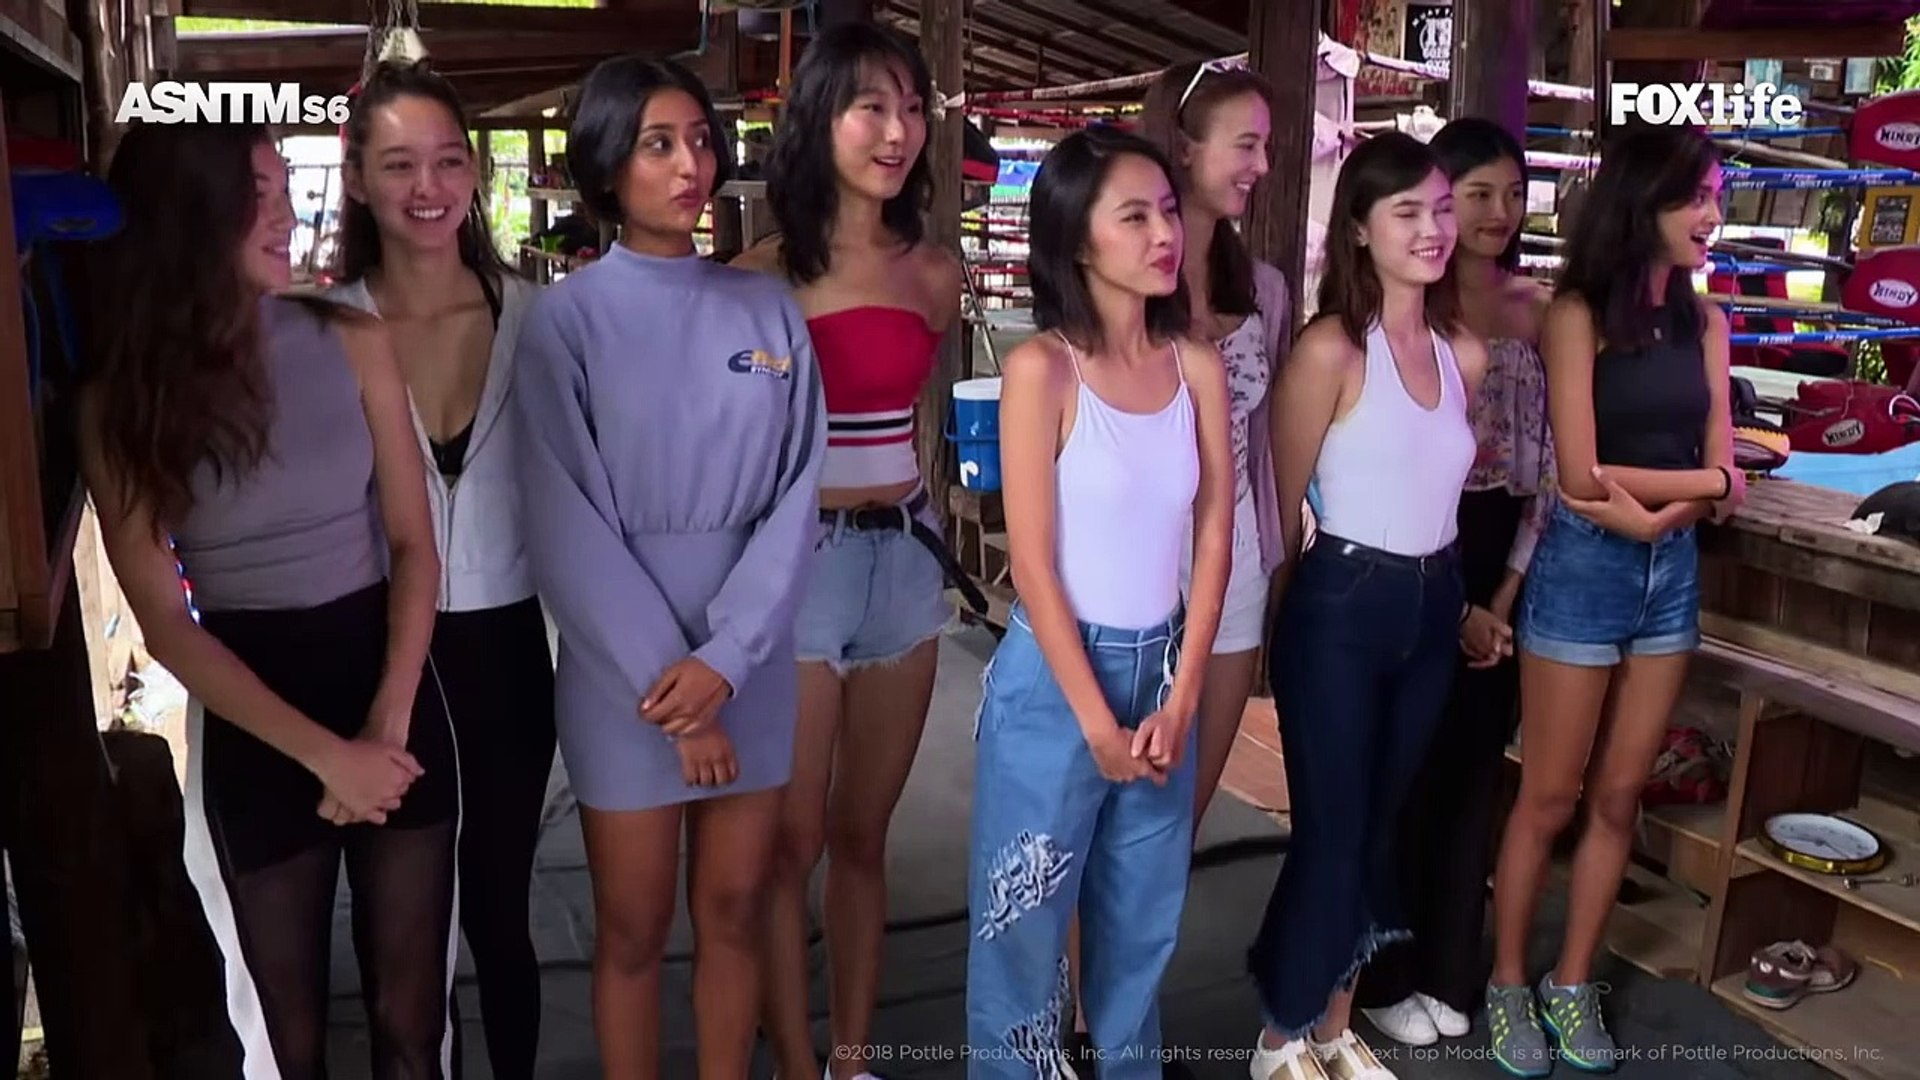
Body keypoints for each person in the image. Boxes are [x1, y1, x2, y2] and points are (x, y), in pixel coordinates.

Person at [81, 122, 457, 1079]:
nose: (290, 217)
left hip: (388, 688)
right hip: (252, 714)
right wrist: (329, 756)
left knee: (412, 1029)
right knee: (288, 1045)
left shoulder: (353, 339)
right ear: (192, 212)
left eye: (290, 193)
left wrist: (383, 728)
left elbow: (415, 547)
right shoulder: (120, 399)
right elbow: (166, 624)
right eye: (262, 196)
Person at [510, 54, 826, 1077]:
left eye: (699, 141)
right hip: (626, 674)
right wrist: (680, 692)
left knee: (734, 911)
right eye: (658, 145)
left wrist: (727, 661)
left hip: (753, 660)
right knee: (633, 928)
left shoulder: (768, 312)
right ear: (606, 166)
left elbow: (797, 496)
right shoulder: (565, 322)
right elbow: (566, 524)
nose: (691, 165)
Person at [967, 124, 1235, 1077]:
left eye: (1167, 210)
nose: (1164, 232)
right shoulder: (1042, 370)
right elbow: (1034, 566)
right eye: (1135, 216)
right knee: (1022, 927)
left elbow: (1214, 533)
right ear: (1077, 239)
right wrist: (1094, 721)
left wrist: (1186, 691)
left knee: (1139, 926)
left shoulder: (1196, 366)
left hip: (1162, 670)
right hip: (1056, 678)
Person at [731, 24, 971, 1080]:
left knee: (863, 835)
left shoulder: (936, 272)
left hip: (905, 563)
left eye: (911, 108)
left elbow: (913, 419)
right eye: (871, 106)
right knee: (792, 843)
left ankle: (851, 1058)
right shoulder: (757, 277)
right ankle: (794, 1058)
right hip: (799, 568)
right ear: (819, 119)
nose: (897, 131)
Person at [1485, 123, 1740, 1078]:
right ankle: (1508, 983)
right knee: (1549, 796)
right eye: (1696, 198)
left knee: (1622, 794)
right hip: (1584, 567)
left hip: (1672, 572)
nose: (1712, 216)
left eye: (1715, 197)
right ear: (1644, 204)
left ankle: (1572, 981)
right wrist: (1695, 492)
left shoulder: (1707, 323)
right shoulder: (1576, 312)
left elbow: (1722, 464)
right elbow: (1580, 472)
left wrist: (1684, 499)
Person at [328, 59, 554, 1079]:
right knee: (403, 932)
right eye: (398, 164)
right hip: (380, 653)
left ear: (475, 172)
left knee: (500, 912)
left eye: (449, 161)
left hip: (509, 647)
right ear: (358, 179)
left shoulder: (541, 319)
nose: (429, 187)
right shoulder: (324, 326)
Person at [1245, 131, 1487, 1080]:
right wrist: (1266, 638)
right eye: (1408, 211)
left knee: (1378, 827)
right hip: (1341, 608)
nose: (1434, 228)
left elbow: (1437, 494)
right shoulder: (1332, 350)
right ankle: (1281, 1032)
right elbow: (1280, 504)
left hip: (1433, 603)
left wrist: (1462, 607)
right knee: (1334, 832)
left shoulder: (1464, 355)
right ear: (1358, 228)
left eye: (1441, 209)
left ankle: (1332, 1027)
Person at [1352, 117, 1556, 1047]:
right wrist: (1459, 599)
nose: (1496, 212)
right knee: (1404, 766)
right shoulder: (1408, 309)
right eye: (1475, 194)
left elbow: (1547, 465)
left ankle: (1449, 969)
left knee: (1475, 769)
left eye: (1513, 194)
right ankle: (1382, 973)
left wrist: (1503, 596)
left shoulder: (1535, 309)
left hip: (1509, 549)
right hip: (1417, 544)